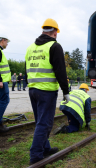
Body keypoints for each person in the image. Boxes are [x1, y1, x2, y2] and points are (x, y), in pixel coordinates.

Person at [25, 18, 69, 164]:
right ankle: (36, 156)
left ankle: (45, 148)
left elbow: (27, 69)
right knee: (45, 123)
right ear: (55, 32)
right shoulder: (54, 46)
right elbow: (60, 71)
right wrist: (66, 91)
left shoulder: (31, 47)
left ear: (44, 30)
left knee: (40, 121)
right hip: (47, 92)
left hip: (33, 90)